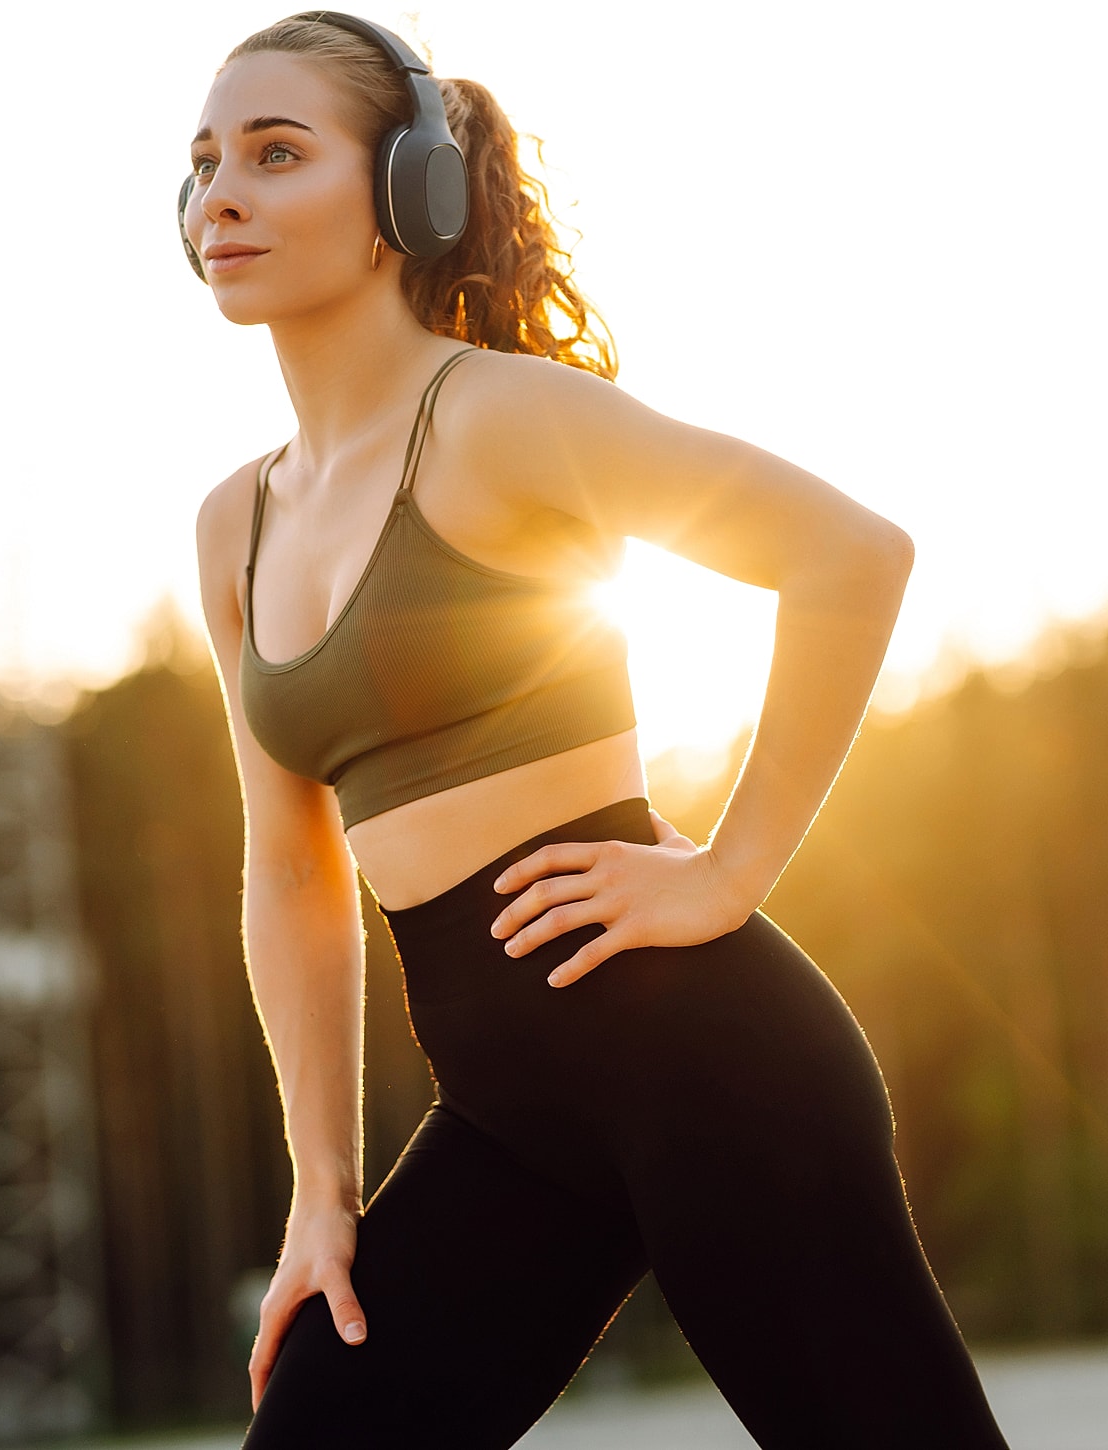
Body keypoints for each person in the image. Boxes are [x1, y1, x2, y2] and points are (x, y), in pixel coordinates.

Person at [186, 11, 1010, 1448]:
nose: (221, 195)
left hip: (714, 1068)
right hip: (508, 1123)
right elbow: (292, 864)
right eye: (201, 164)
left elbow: (850, 554)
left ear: (405, 196)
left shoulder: (494, 416)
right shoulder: (231, 526)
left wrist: (731, 869)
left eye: (275, 151)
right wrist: (322, 1188)